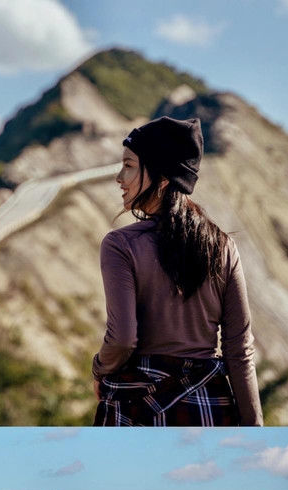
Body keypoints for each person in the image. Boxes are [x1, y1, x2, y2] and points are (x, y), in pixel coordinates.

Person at [92, 115, 263, 426]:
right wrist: (256, 431)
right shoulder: (222, 246)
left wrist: (99, 369)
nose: (119, 176)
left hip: (139, 407)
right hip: (211, 405)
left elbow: (122, 340)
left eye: (129, 165)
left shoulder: (120, 245)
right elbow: (239, 351)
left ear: (162, 178)